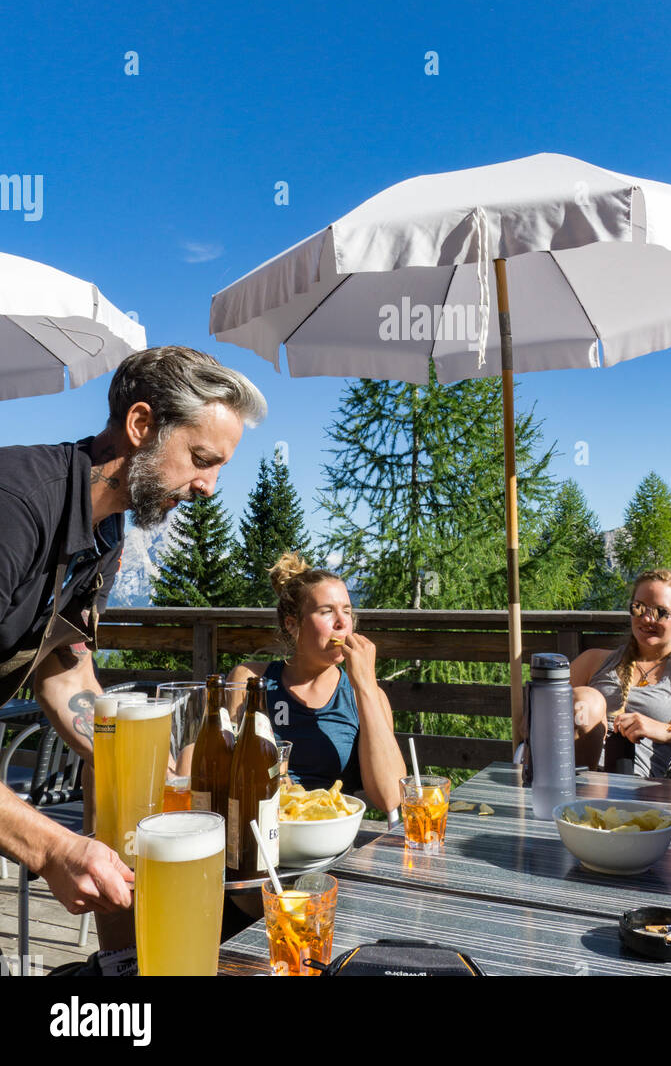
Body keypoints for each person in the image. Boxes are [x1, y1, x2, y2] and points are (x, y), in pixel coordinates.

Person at [0, 346, 266, 968]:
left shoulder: (106, 527)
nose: (209, 487)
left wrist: (153, 770)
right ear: (141, 425)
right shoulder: (14, 508)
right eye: (201, 460)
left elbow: (63, 669)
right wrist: (51, 848)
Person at [229, 552, 405, 815]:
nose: (342, 622)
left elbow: (392, 799)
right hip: (259, 826)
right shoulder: (252, 681)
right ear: (293, 625)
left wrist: (366, 684)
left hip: (332, 834)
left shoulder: (367, 695)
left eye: (347, 611)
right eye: (327, 612)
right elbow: (225, 766)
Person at [570, 569, 671, 778]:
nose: (647, 619)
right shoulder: (593, 660)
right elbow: (536, 712)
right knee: (586, 699)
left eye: (660, 612)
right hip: (573, 775)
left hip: (637, 789)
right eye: (639, 608)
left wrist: (666, 731)